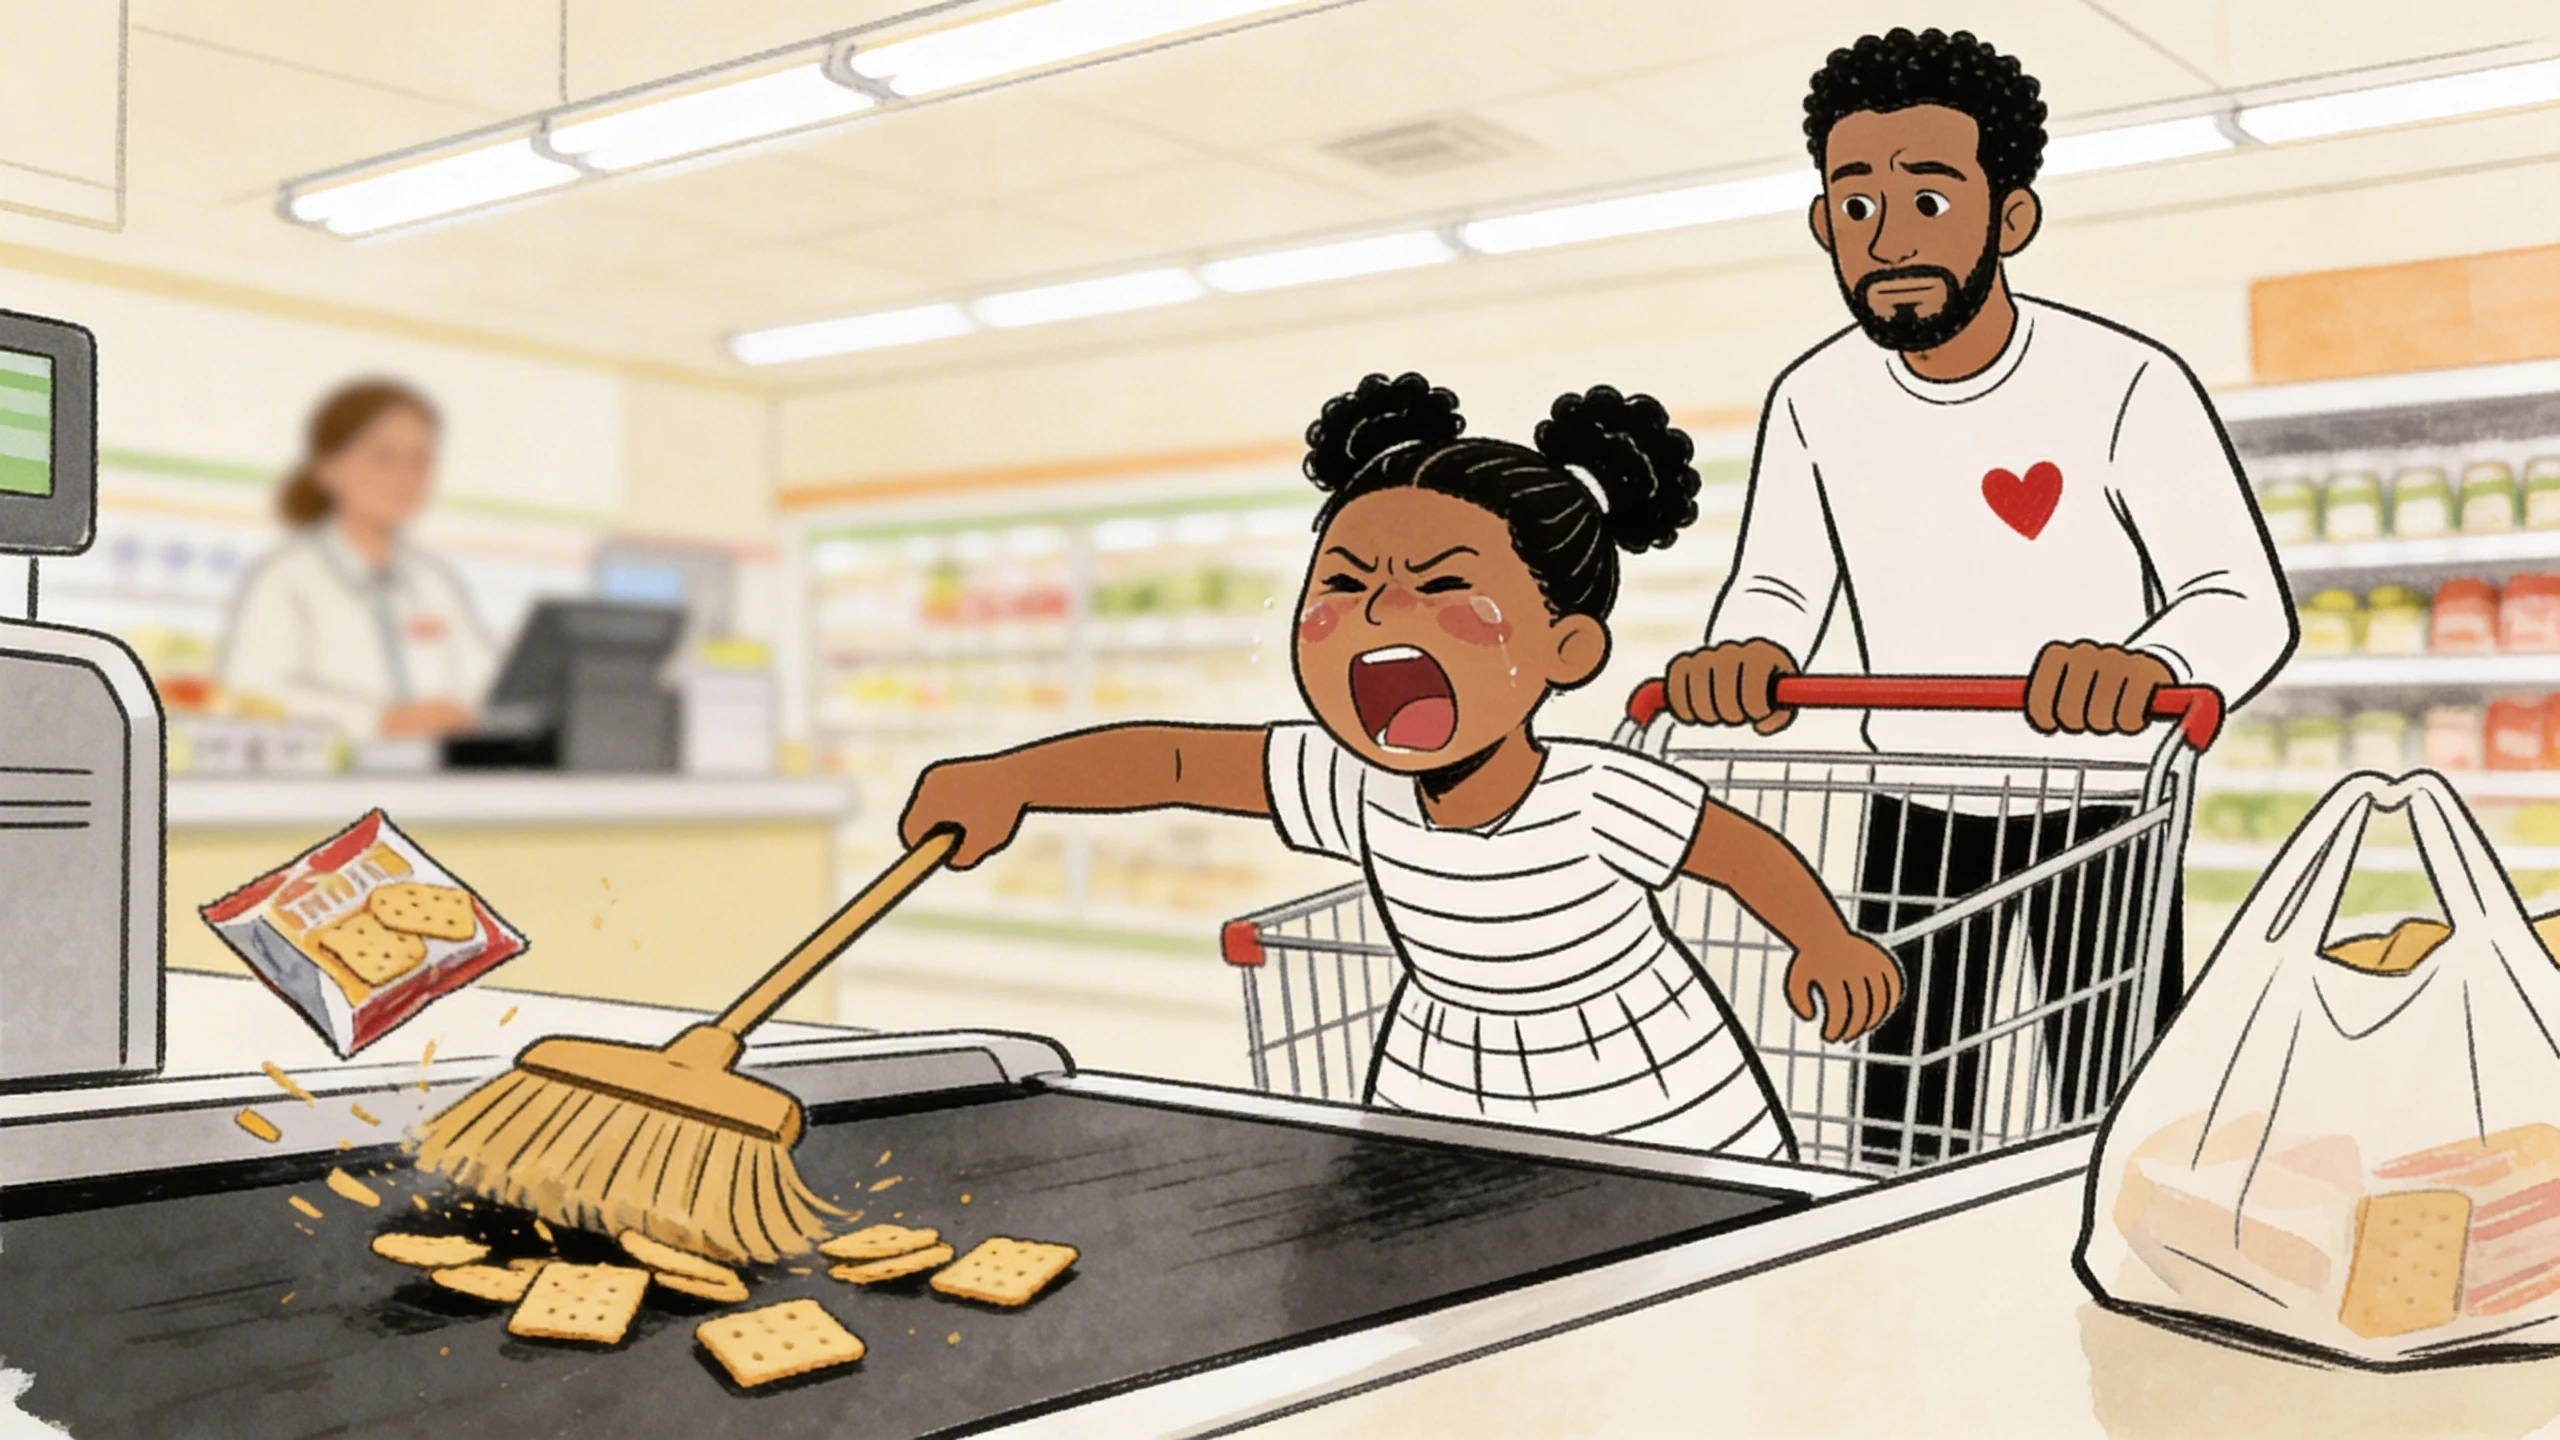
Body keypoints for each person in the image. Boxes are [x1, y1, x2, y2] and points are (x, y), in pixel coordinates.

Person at [903, 372, 1904, 1158]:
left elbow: (1733, 852)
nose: (1379, 615)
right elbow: (1170, 759)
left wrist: (1824, 942)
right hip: (1443, 1079)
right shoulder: (1353, 785)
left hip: (1645, 1100)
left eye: (1440, 588)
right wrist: (1014, 778)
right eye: (1343, 582)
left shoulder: (1595, 796)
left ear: (1568, 652)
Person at [1660, 29, 2295, 1165]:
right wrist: (1743, 649)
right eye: (1854, 207)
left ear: (2011, 219)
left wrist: (2147, 667)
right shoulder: (1815, 397)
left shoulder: (2126, 382)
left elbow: (2239, 596)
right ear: (1821, 225)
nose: (1889, 238)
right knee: (1898, 1119)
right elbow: (1774, 581)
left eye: (1930, 200)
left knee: (2114, 1122)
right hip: (1913, 800)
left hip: (2100, 807)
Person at [220, 380, 496, 741]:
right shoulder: (285, 579)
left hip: (433, 789)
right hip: (328, 790)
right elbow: (252, 696)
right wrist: (381, 721)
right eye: (384, 458)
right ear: (328, 469)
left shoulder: (434, 582)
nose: (405, 478)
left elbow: (487, 685)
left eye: (420, 461)